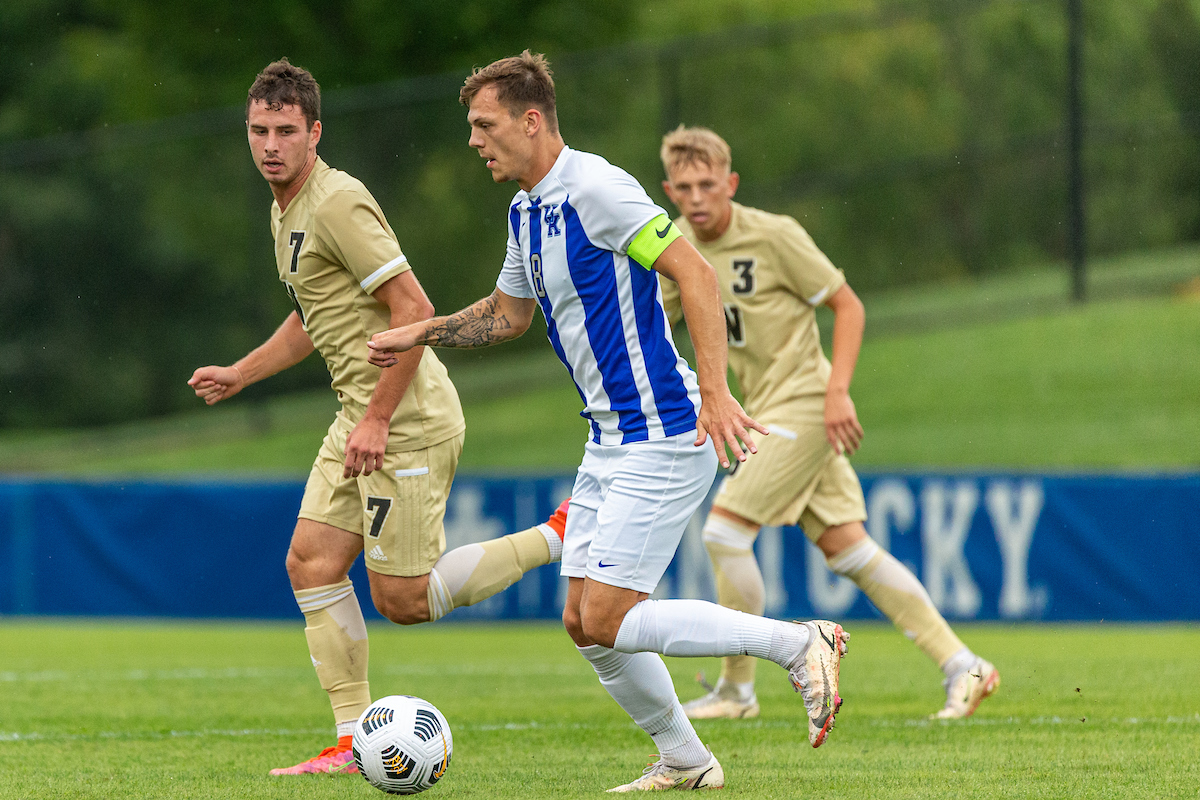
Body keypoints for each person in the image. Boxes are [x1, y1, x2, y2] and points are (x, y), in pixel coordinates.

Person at [366, 52, 851, 792]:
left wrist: (715, 393)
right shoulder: (525, 210)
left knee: (614, 616)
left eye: (485, 125)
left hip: (662, 429)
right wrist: (419, 332)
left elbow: (695, 271)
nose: (475, 141)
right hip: (609, 438)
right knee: (583, 622)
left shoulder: (595, 188)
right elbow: (507, 316)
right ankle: (687, 761)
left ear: (532, 121)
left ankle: (796, 643)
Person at [187, 58, 569, 776]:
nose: (270, 144)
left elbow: (414, 310)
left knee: (403, 600)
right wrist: (243, 371)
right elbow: (314, 316)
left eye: (285, 131)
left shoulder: (337, 202)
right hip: (358, 414)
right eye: (258, 130)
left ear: (314, 132)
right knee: (311, 561)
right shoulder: (285, 208)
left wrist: (377, 422)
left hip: (406, 418)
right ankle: (347, 741)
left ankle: (559, 533)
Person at [656, 126, 999, 722]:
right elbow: (651, 330)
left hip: (808, 404)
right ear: (668, 190)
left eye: (708, 183)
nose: (696, 196)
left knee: (725, 532)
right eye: (684, 187)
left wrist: (837, 391)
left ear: (730, 183)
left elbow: (848, 305)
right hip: (764, 408)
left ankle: (737, 693)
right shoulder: (677, 249)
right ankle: (966, 668)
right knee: (850, 549)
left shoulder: (775, 234)